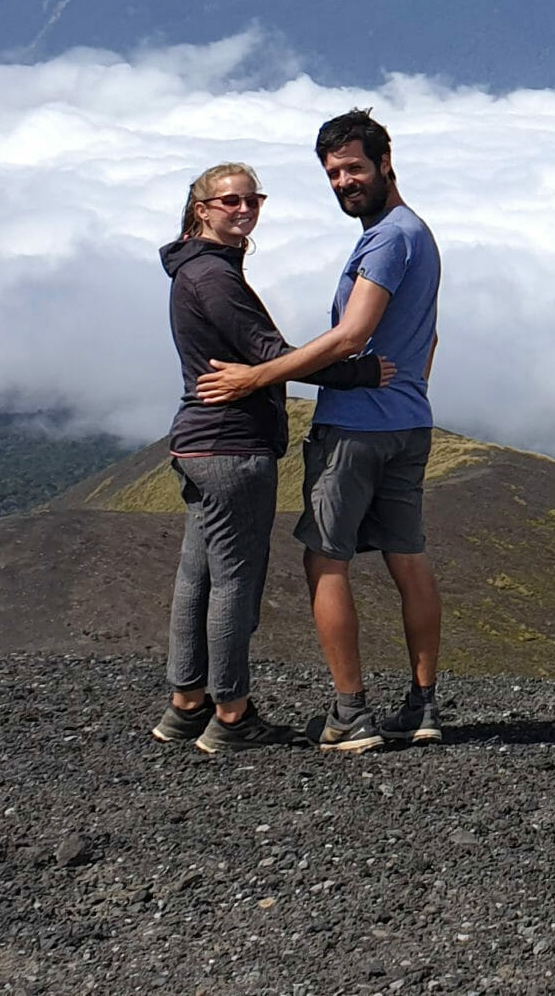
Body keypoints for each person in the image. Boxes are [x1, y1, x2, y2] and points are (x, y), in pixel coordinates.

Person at [196, 108, 445, 753]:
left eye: (354, 168)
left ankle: (349, 713)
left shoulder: (387, 238)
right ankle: (422, 707)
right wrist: (411, 389)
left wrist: (257, 378)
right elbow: (430, 335)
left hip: (356, 430)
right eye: (333, 173)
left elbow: (352, 335)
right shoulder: (418, 234)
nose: (343, 182)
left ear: (386, 162)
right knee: (408, 559)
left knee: (324, 558)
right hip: (410, 424)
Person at [154, 163, 391, 753]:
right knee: (235, 581)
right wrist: (361, 371)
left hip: (198, 443)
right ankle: (231, 716)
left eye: (252, 199)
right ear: (201, 209)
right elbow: (269, 354)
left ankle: (187, 706)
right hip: (233, 447)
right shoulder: (214, 277)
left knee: (199, 576)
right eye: (229, 200)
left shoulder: (197, 270)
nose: (244, 209)